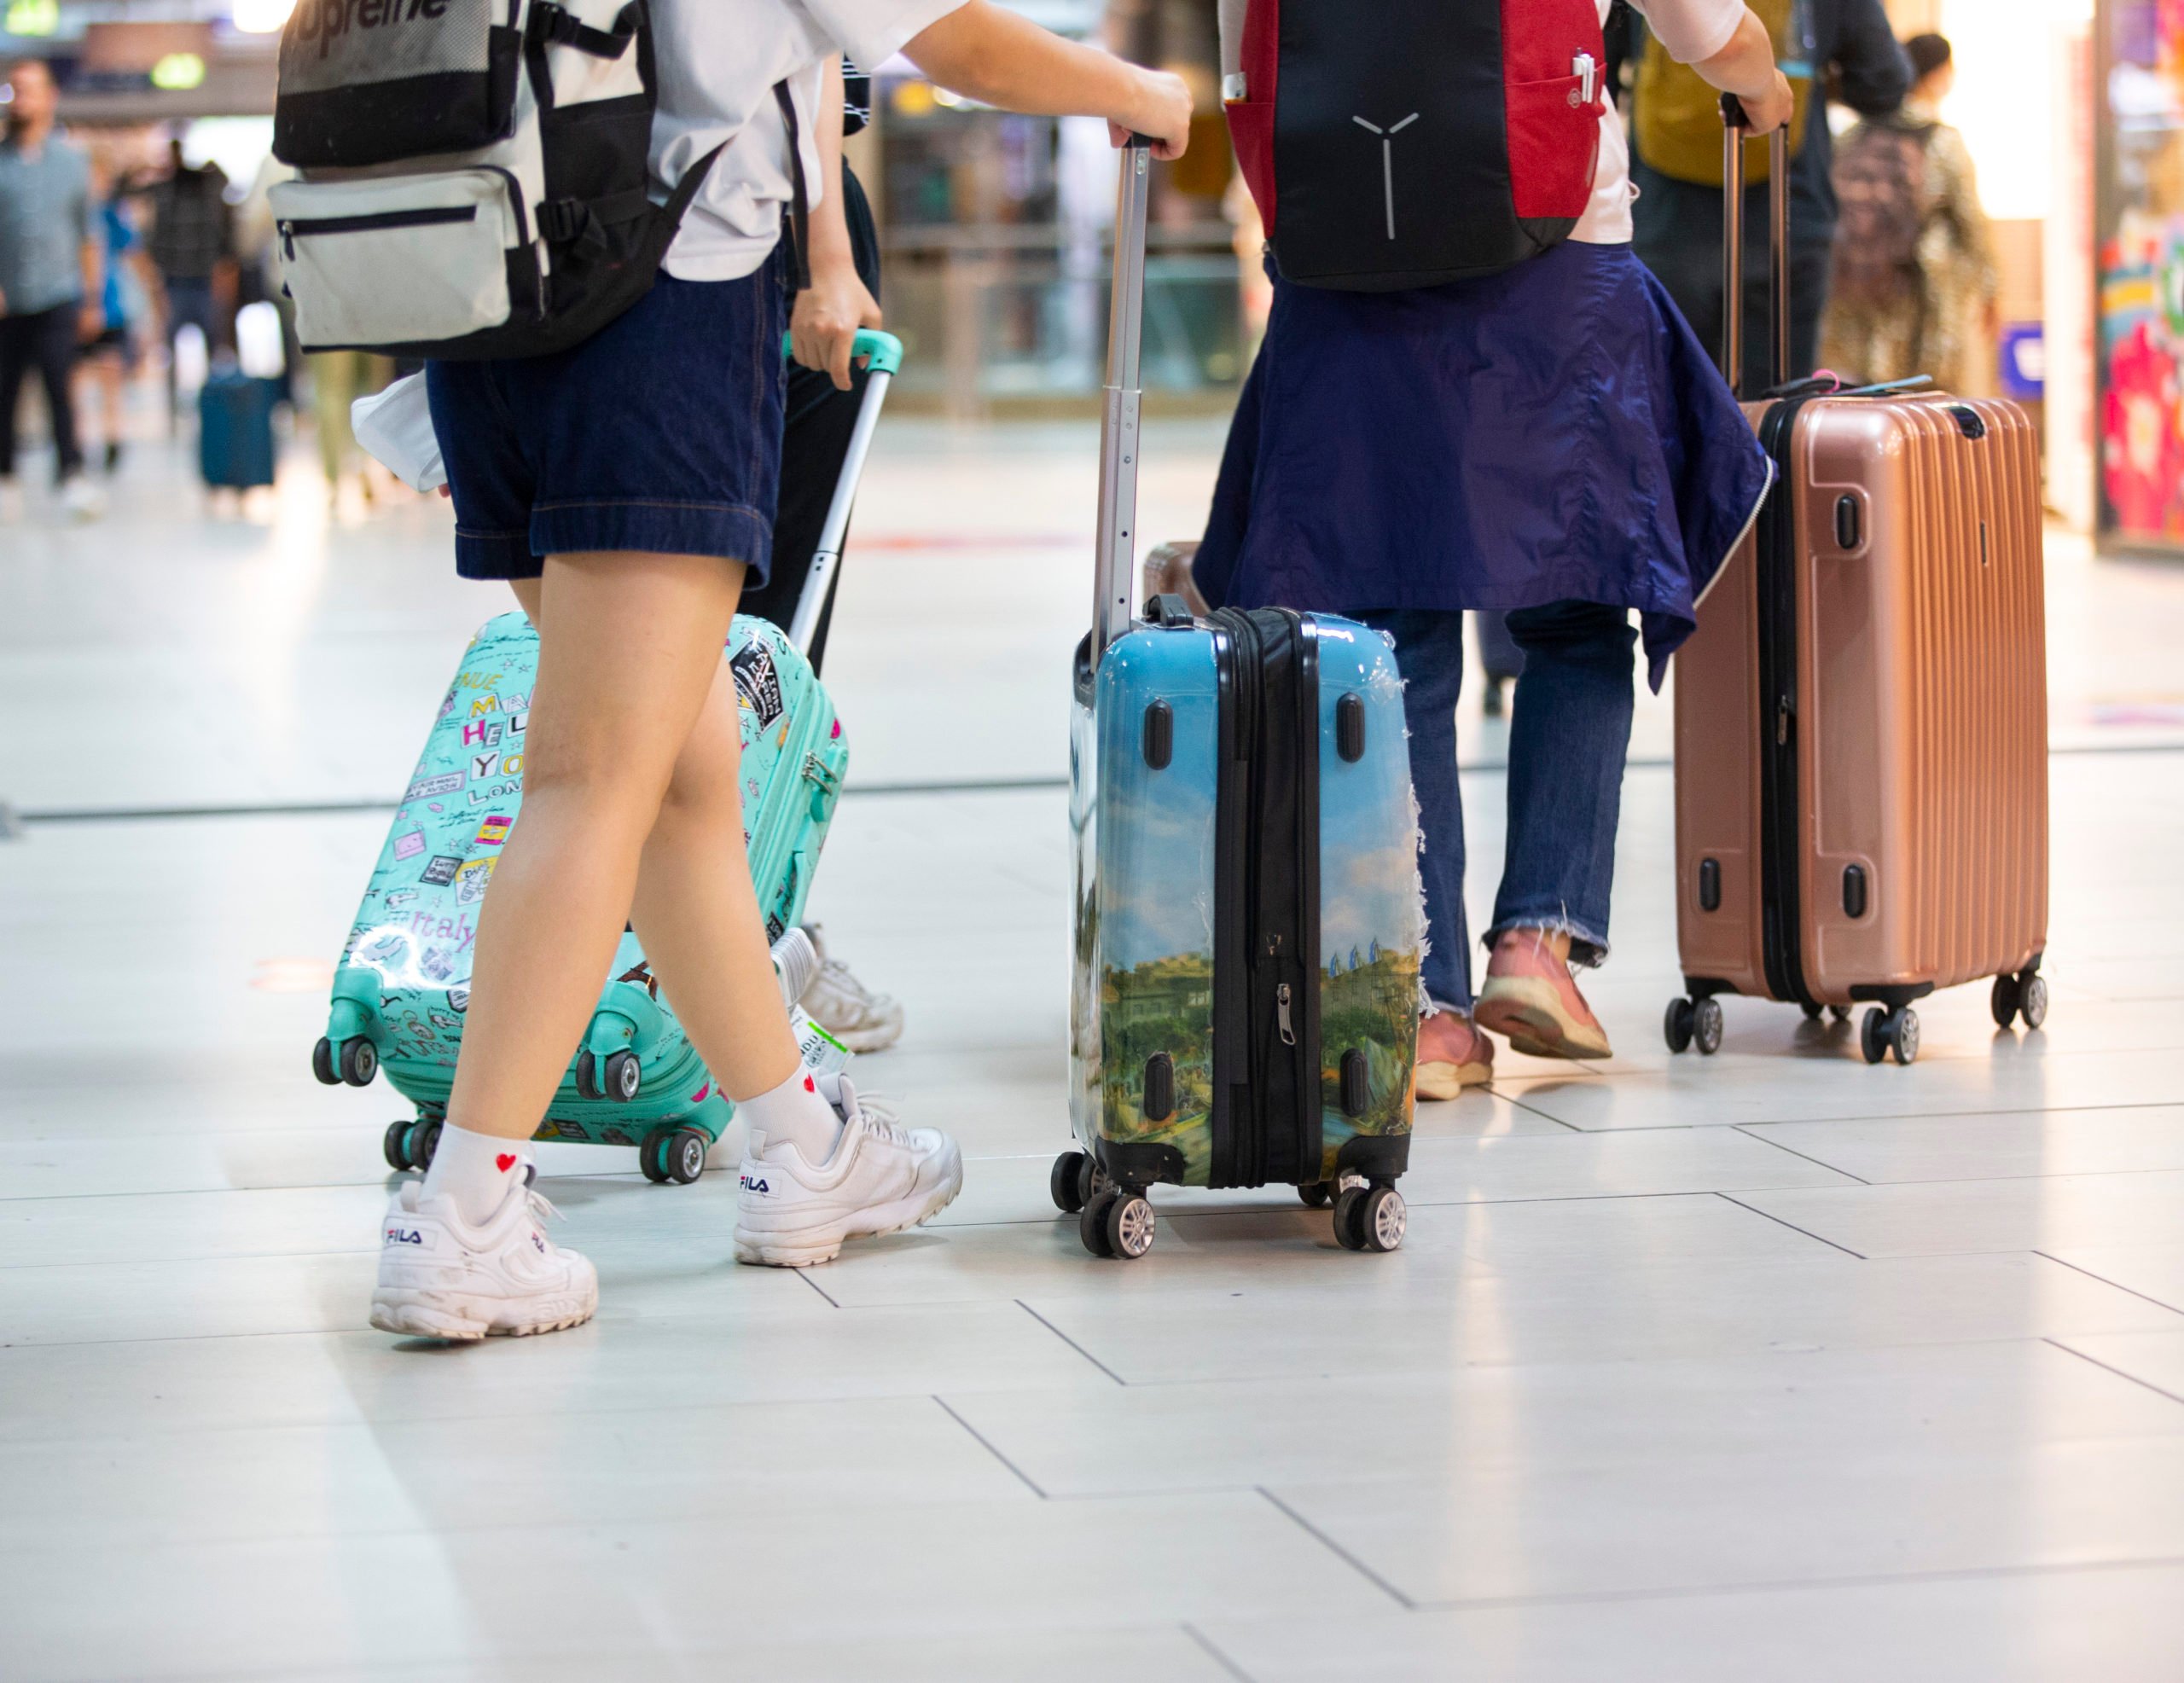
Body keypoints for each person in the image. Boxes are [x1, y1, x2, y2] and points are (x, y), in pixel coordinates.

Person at [372, 0, 1191, 1339]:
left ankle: (800, 1146)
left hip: (486, 300)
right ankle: (460, 1216)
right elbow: (952, 39)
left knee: (679, 769)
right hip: (658, 309)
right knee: (594, 778)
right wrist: (1137, 89)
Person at [1190, 0, 1782, 1097]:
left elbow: (1244, 70)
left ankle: (1423, 1009)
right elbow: (1713, 31)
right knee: (1573, 609)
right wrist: (1764, 88)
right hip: (1552, 273)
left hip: (1341, 277)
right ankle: (1537, 944)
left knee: (1386, 640)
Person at [736, 57, 909, 1054]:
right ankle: (749, 944)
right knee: (765, 647)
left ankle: (749, 929)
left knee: (645, 650)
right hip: (759, 225)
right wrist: (829, 252)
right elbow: (801, 53)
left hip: (584, 240)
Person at [1629, 0, 1907, 393]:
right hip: (1787, 206)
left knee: (1673, 398)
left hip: (1665, 211)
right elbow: (1883, 84)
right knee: (1776, 402)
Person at [1818, 32, 1999, 394]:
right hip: (1922, 298)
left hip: (1857, 295)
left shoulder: (1854, 135)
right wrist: (1990, 289)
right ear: (1939, 74)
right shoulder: (1941, 141)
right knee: (1927, 413)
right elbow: (1970, 223)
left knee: (1868, 402)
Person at [0, 59, 103, 522]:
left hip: (59, 293)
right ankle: (5, 477)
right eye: (14, 90)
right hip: (8, 298)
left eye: (30, 90)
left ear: (49, 98)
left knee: (61, 387)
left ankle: (72, 475)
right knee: (5, 391)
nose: (21, 99)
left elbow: (88, 234)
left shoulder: (72, 162)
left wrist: (93, 297)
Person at [142, 137, 236, 427]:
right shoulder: (168, 193)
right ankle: (177, 413)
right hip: (178, 281)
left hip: (199, 280)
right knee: (176, 350)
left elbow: (223, 240)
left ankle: (209, 406)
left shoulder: (204, 191)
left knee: (209, 350)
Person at [75, 154, 154, 476]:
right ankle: (76, 443)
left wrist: (152, 299)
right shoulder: (72, 215)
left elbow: (135, 257)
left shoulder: (112, 216)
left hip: (109, 308)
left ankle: (112, 436)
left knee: (110, 376)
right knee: (75, 380)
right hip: (72, 307)